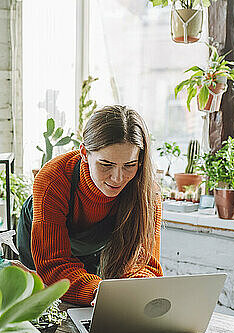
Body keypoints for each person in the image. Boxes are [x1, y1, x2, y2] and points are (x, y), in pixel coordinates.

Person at [16, 105, 162, 305]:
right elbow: (54, 264)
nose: (118, 178)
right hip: (42, 245)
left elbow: (145, 264)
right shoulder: (52, 179)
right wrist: (97, 292)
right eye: (106, 164)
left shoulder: (147, 192)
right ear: (84, 153)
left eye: (129, 165)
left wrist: (133, 292)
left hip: (91, 249)